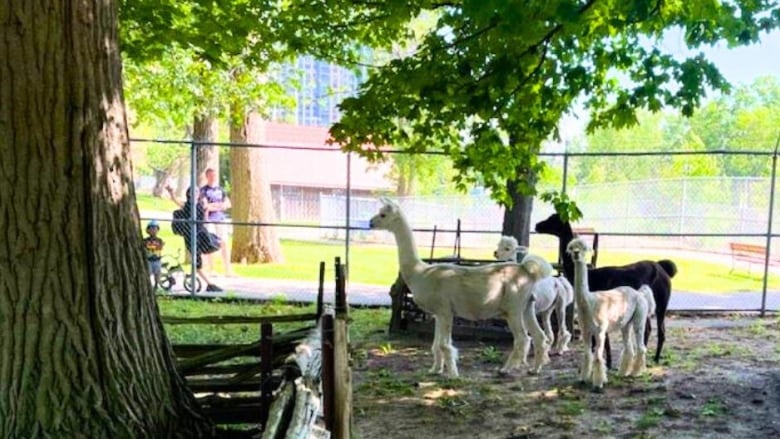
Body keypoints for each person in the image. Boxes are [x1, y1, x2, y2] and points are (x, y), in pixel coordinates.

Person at [165, 185, 224, 292]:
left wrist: (207, 209)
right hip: (191, 236)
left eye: (197, 191)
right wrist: (171, 192)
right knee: (197, 261)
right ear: (189, 193)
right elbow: (175, 200)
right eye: (192, 191)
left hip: (201, 234)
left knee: (218, 243)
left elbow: (205, 220)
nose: (195, 193)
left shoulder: (201, 205)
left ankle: (200, 278)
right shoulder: (187, 205)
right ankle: (209, 284)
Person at [199, 168, 233, 276]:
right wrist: (219, 206)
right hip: (209, 220)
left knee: (224, 243)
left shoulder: (220, 190)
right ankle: (212, 269)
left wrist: (215, 206)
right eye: (210, 175)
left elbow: (228, 204)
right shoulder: (203, 191)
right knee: (211, 243)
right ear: (207, 176)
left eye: (214, 175)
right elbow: (205, 206)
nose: (213, 177)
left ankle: (228, 270)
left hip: (221, 219)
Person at [143, 220, 164, 290]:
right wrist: (153, 247)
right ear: (148, 230)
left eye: (155, 229)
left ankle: (156, 284)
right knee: (148, 273)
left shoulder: (159, 240)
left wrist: (151, 247)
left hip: (157, 260)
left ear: (158, 230)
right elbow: (145, 246)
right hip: (148, 260)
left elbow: (160, 247)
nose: (153, 231)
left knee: (157, 273)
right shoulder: (145, 240)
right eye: (151, 229)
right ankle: (148, 285)